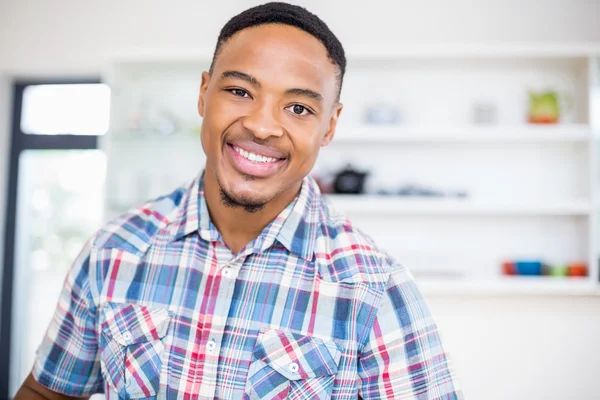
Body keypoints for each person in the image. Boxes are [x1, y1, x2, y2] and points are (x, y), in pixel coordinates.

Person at [15, 2, 462, 399]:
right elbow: (47, 391)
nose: (263, 126)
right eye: (240, 92)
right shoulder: (113, 251)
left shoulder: (375, 289)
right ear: (203, 94)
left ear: (329, 126)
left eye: (299, 108)